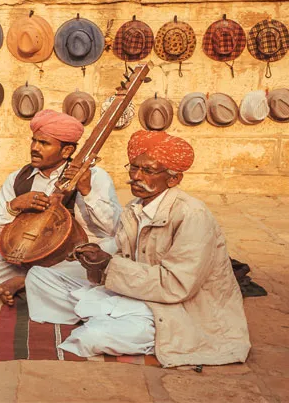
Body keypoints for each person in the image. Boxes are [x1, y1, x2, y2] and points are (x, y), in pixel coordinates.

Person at [25, 130, 251, 367]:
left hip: (174, 306)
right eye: (133, 168)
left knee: (93, 337)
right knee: (39, 277)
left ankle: (114, 321)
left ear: (173, 179)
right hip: (134, 292)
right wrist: (94, 259)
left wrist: (109, 265)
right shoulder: (135, 207)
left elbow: (177, 285)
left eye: (148, 171)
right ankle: (108, 315)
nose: (136, 176)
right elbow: (123, 253)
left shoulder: (192, 215)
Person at [0, 109, 121, 305]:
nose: (35, 148)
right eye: (34, 141)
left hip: (75, 255)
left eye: (44, 143)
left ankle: (27, 281)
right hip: (31, 254)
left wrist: (87, 191)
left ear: (67, 151)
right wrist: (14, 206)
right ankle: (39, 280)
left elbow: (113, 228)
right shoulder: (17, 179)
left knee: (110, 251)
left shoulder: (95, 176)